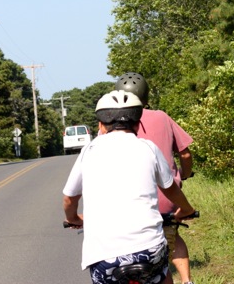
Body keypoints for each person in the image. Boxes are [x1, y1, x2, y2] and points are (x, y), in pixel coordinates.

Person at [63, 90, 196, 284]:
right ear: (137, 125)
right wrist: (186, 209)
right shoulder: (149, 148)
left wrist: (73, 218)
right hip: (149, 251)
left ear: (100, 125)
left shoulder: (88, 151)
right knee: (162, 272)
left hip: (104, 257)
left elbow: (69, 198)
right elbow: (171, 189)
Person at [115, 73, 195, 284]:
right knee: (172, 236)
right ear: (146, 95)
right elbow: (185, 154)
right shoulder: (162, 117)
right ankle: (187, 280)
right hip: (168, 199)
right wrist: (184, 175)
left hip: (131, 203)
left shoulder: (113, 125)